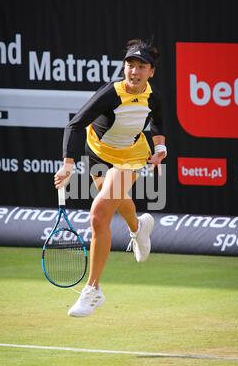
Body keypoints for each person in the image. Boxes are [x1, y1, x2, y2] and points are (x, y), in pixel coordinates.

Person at [54, 38, 167, 317]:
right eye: (130, 65)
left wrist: (161, 148)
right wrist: (68, 164)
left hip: (130, 156)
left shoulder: (154, 97)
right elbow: (75, 124)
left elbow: (158, 123)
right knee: (118, 202)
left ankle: (93, 290)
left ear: (151, 72)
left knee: (99, 215)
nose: (134, 71)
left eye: (142, 66)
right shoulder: (110, 93)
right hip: (98, 154)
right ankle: (138, 226)